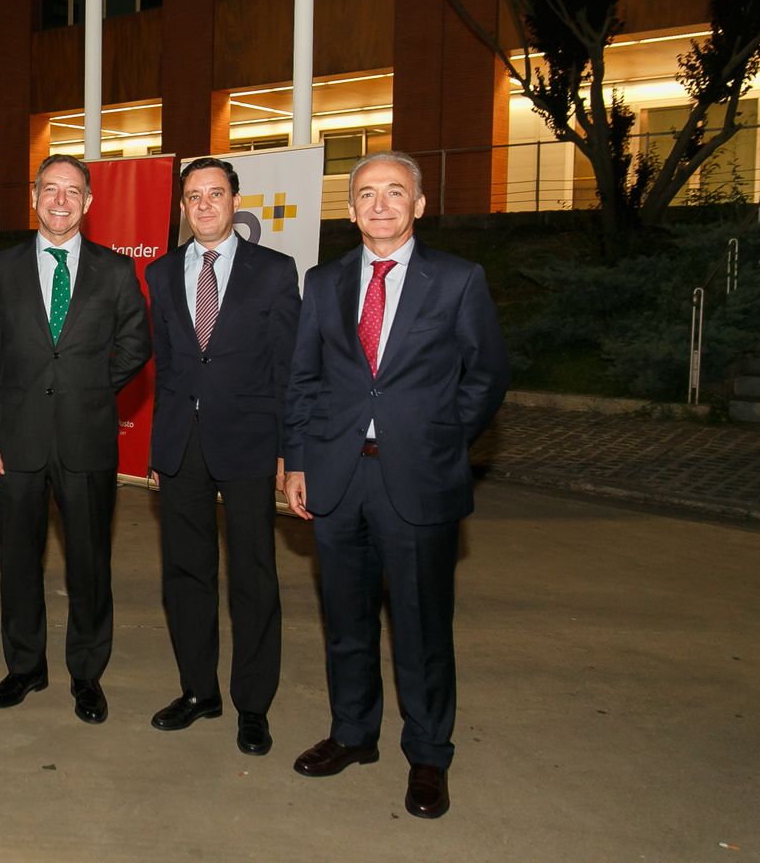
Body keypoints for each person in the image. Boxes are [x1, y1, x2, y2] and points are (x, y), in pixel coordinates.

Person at [283, 151, 509, 820]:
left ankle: (429, 755)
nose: (380, 204)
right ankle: (353, 733)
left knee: (421, 625)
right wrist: (298, 461)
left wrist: (441, 440)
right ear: (350, 210)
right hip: (337, 475)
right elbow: (303, 379)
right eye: (366, 194)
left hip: (418, 478)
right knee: (346, 620)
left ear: (418, 205)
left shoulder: (458, 280)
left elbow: (486, 375)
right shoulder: (324, 283)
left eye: (395, 192)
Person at [0, 155, 150, 724]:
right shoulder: (0, 271)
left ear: (89, 203)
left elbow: (136, 344)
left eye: (73, 191)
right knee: (18, 562)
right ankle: (25, 666)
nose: (61, 201)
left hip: (85, 439)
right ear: (34, 197)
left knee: (89, 564)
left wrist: (91, 387)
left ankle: (87, 674)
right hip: (14, 442)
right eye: (51, 189)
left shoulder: (115, 272)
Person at [143, 157, 300, 755]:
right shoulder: (160, 274)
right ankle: (198, 691)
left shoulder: (274, 272)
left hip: (251, 443)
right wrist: (160, 447)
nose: (204, 205)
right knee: (185, 573)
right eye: (193, 197)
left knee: (253, 575)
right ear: (182, 207)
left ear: (236, 201)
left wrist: (291, 451)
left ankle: (252, 706)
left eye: (215, 194)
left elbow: (289, 368)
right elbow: (167, 367)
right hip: (183, 443)